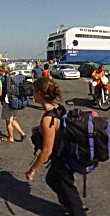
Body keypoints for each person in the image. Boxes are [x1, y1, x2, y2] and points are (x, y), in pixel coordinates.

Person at [25, 77, 88, 215]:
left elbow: (46, 151)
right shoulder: (58, 108)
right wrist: (40, 129)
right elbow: (59, 127)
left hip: (63, 159)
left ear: (40, 93)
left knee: (63, 183)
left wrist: (32, 170)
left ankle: (77, 210)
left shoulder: (48, 119)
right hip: (67, 153)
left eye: (34, 91)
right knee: (55, 180)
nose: (32, 94)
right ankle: (73, 205)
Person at [3, 67, 27, 142]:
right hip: (17, 100)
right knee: (12, 119)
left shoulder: (6, 78)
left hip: (9, 102)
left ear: (3, 71)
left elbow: (5, 91)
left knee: (8, 121)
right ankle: (22, 134)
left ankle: (11, 138)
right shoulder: (13, 77)